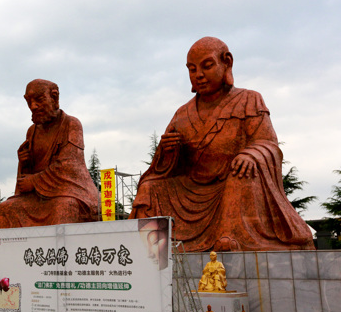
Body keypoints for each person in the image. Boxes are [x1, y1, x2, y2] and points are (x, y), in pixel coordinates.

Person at [129, 37, 314, 252]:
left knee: (242, 171)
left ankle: (230, 235)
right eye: (192, 69)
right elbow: (166, 169)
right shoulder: (182, 113)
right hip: (191, 189)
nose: (199, 75)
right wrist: (169, 153)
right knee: (150, 187)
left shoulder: (249, 99)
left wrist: (252, 154)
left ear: (226, 63)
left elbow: (267, 143)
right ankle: (152, 249)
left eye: (207, 66)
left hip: (232, 182)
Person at [0, 79, 99, 230]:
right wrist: (23, 163)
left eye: (39, 100)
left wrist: (33, 181)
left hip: (71, 193)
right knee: (7, 208)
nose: (33, 106)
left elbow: (68, 166)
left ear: (54, 98)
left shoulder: (71, 124)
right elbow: (25, 180)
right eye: (29, 101)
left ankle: (56, 253)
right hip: (40, 197)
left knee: (64, 207)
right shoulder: (32, 131)